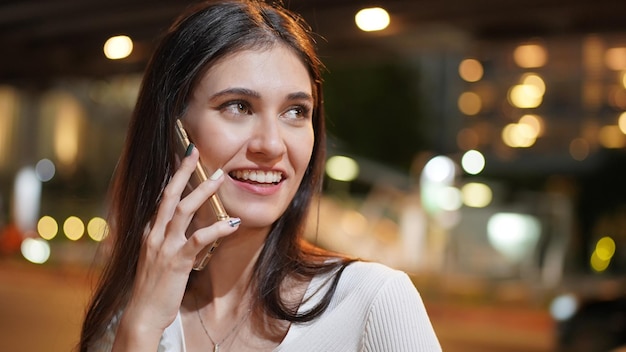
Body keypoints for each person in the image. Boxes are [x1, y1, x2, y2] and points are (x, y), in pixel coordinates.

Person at [79, 0, 442, 351]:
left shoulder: (373, 300)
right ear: (174, 130)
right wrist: (141, 326)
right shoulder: (130, 315)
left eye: (296, 111)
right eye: (239, 107)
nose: (271, 144)